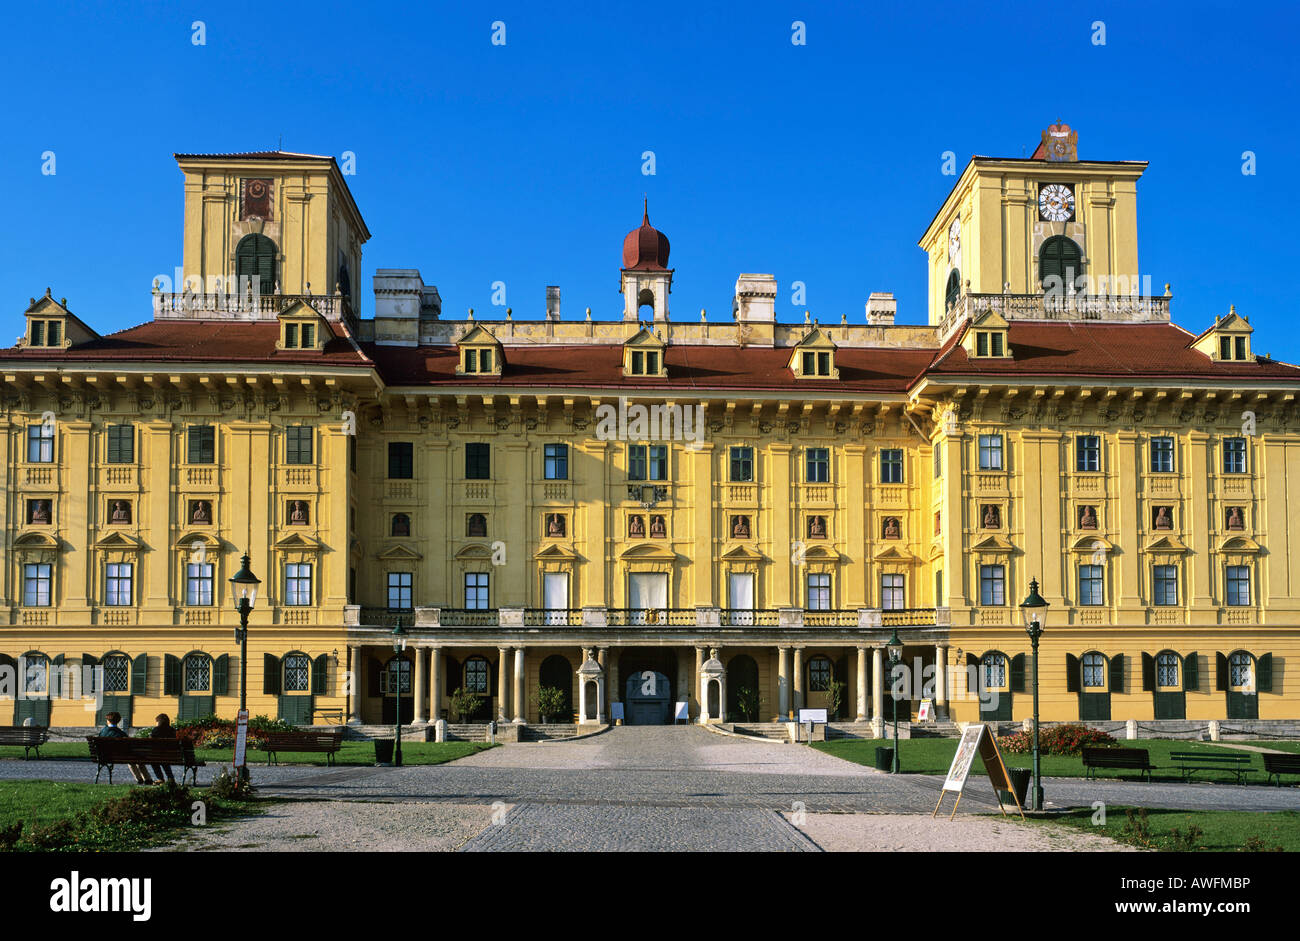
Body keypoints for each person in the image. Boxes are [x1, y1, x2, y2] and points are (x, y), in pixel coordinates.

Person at [98, 711, 152, 784]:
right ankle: (147, 779)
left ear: (108, 720)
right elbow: (129, 745)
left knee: (131, 760)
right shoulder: (121, 733)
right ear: (118, 721)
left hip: (105, 756)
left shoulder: (103, 731)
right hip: (123, 756)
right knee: (137, 759)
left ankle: (140, 779)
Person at [149, 714, 177, 785]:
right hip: (171, 756)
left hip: (157, 755)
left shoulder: (155, 730)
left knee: (155, 761)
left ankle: (160, 778)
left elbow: (150, 742)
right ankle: (171, 778)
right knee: (165, 761)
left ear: (159, 722)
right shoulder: (172, 730)